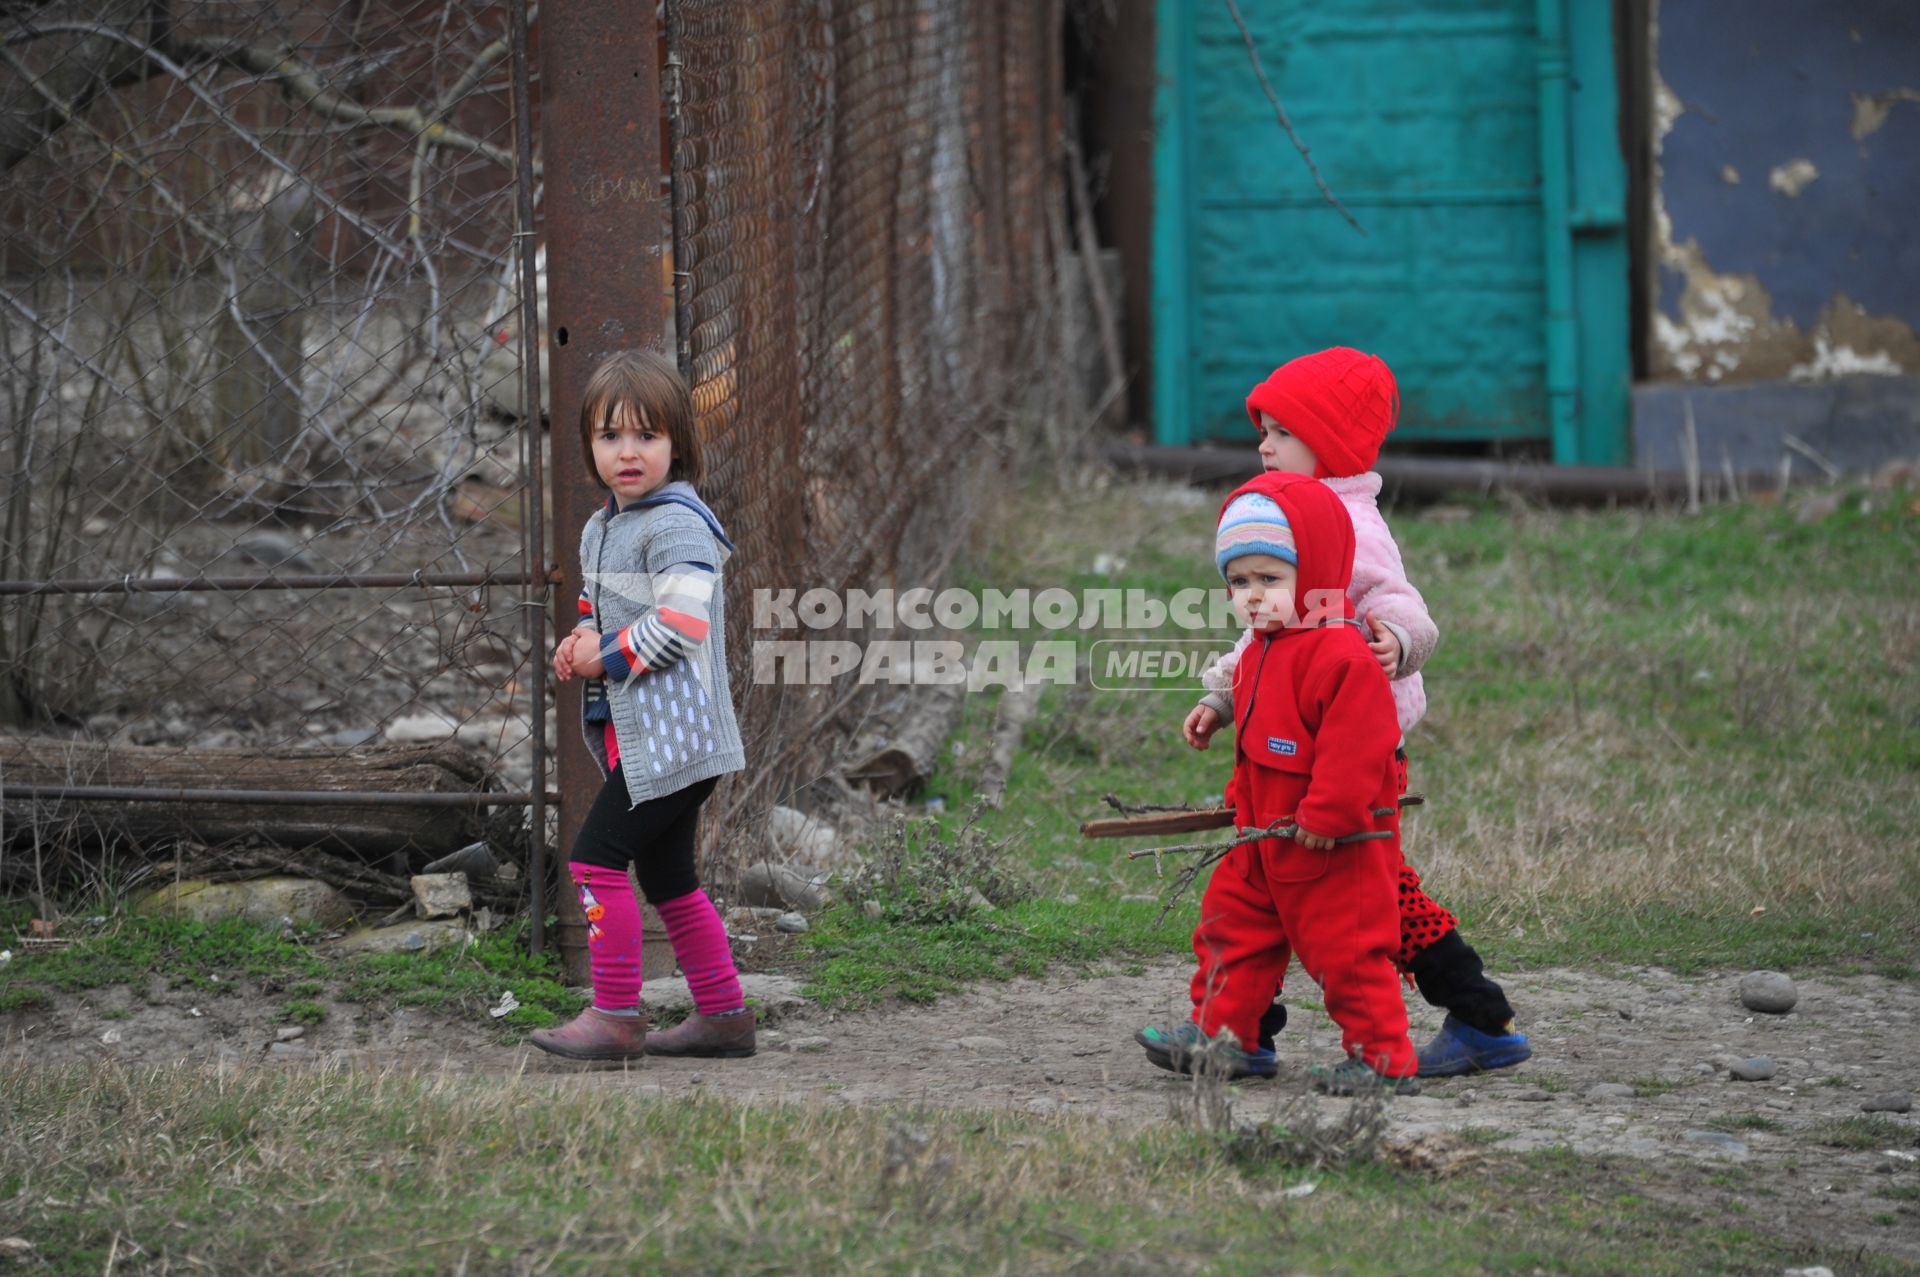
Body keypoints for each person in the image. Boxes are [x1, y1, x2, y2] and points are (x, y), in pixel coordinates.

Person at [1180, 347, 1528, 1078]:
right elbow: (1261, 632)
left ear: (1329, 441)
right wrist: (1222, 693)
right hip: (1289, 743)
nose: (1263, 445)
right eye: (1262, 431)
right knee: (1271, 879)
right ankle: (1245, 1029)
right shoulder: (1291, 511)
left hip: (1350, 746)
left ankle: (1478, 1013)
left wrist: (1399, 641)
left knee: (1365, 894)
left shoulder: (1350, 523)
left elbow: (1403, 605)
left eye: (1280, 431)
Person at [1139, 474, 1417, 1093]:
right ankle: (1226, 1037)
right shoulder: (1261, 648)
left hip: (1333, 842)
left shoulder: (1341, 655)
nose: (1254, 597)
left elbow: (1358, 747)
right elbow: (1263, 714)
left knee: (1346, 950)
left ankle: (1383, 1059)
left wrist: (1327, 815)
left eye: (1271, 579)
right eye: (1240, 582)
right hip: (1260, 832)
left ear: (1315, 572)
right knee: (1231, 930)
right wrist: (1219, 707)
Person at [531, 349, 753, 1063]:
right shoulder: (606, 526)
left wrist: (609, 652)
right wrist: (582, 637)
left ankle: (617, 1015)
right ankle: (723, 1015)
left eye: (647, 436)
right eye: (609, 437)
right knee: (667, 877)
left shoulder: (677, 526)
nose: (628, 453)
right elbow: (603, 605)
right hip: (648, 738)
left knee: (596, 861)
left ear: (678, 444)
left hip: (678, 740)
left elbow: (683, 626)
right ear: (588, 447)